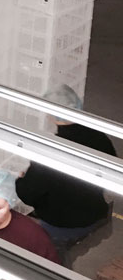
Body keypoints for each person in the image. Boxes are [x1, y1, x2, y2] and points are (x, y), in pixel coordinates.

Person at [16, 84, 118, 262]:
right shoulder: (98, 136)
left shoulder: (50, 151)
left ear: (49, 114)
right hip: (95, 212)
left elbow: (27, 195)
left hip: (62, 226)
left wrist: (21, 179)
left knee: (54, 262)